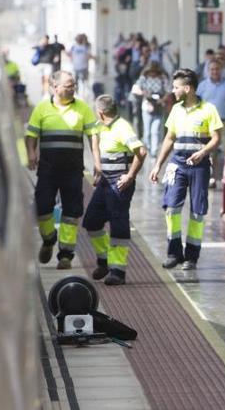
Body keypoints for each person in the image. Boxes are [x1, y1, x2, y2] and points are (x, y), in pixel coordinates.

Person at [26, 71, 101, 268]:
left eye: (73, 84)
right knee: (42, 207)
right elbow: (31, 134)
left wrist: (97, 162)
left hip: (73, 170)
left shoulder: (83, 108)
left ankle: (66, 254)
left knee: (72, 212)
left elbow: (93, 135)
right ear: (55, 87)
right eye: (68, 85)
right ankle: (49, 238)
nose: (72, 88)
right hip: (47, 170)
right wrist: (31, 153)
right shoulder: (42, 108)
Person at [149, 68, 223, 270]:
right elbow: (169, 138)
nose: (173, 91)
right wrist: (158, 165)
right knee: (171, 208)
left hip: (199, 167)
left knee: (198, 212)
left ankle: (191, 256)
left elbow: (216, 138)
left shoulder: (209, 109)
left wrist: (203, 152)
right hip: (177, 164)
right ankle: (174, 253)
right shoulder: (175, 110)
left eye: (176, 87)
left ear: (187, 88)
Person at [82, 95, 147, 285]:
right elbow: (94, 140)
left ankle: (118, 271)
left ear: (100, 112)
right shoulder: (100, 125)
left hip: (119, 182)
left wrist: (130, 175)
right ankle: (104, 260)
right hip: (104, 182)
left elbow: (141, 152)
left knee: (118, 223)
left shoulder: (122, 127)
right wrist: (97, 166)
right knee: (92, 221)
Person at [197, 59, 225, 188]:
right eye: (212, 69)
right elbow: (197, 104)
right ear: (208, 71)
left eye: (217, 69)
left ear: (221, 70)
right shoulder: (203, 85)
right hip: (208, 124)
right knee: (210, 152)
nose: (215, 71)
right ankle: (211, 178)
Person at [136, 61, 170, 158]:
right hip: (147, 105)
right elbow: (136, 88)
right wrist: (144, 93)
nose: (153, 74)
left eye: (154, 72)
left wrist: (162, 100)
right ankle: (148, 147)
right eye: (151, 72)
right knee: (147, 131)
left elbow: (168, 91)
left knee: (155, 130)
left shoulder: (162, 78)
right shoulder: (144, 78)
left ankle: (154, 152)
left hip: (158, 106)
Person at [67, 33, 95, 98]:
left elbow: (89, 55)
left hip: (84, 67)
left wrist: (94, 58)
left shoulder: (86, 46)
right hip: (76, 67)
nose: (78, 40)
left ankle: (84, 94)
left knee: (84, 81)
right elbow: (69, 54)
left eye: (80, 39)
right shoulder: (73, 47)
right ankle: (76, 94)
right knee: (75, 82)